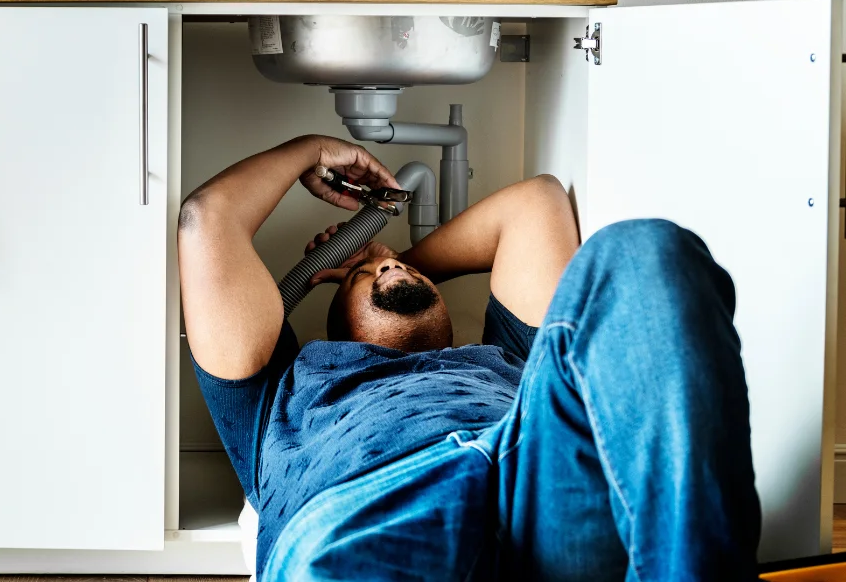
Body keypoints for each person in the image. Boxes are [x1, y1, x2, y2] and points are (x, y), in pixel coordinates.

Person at [177, 134, 760, 581]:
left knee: (643, 254)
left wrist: (395, 256)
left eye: (397, 268)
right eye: (362, 275)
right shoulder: (283, 388)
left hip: (533, 476)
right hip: (367, 512)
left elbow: (536, 202)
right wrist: (311, 150)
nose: (389, 269)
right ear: (333, 324)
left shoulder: (502, 357)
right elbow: (208, 219)